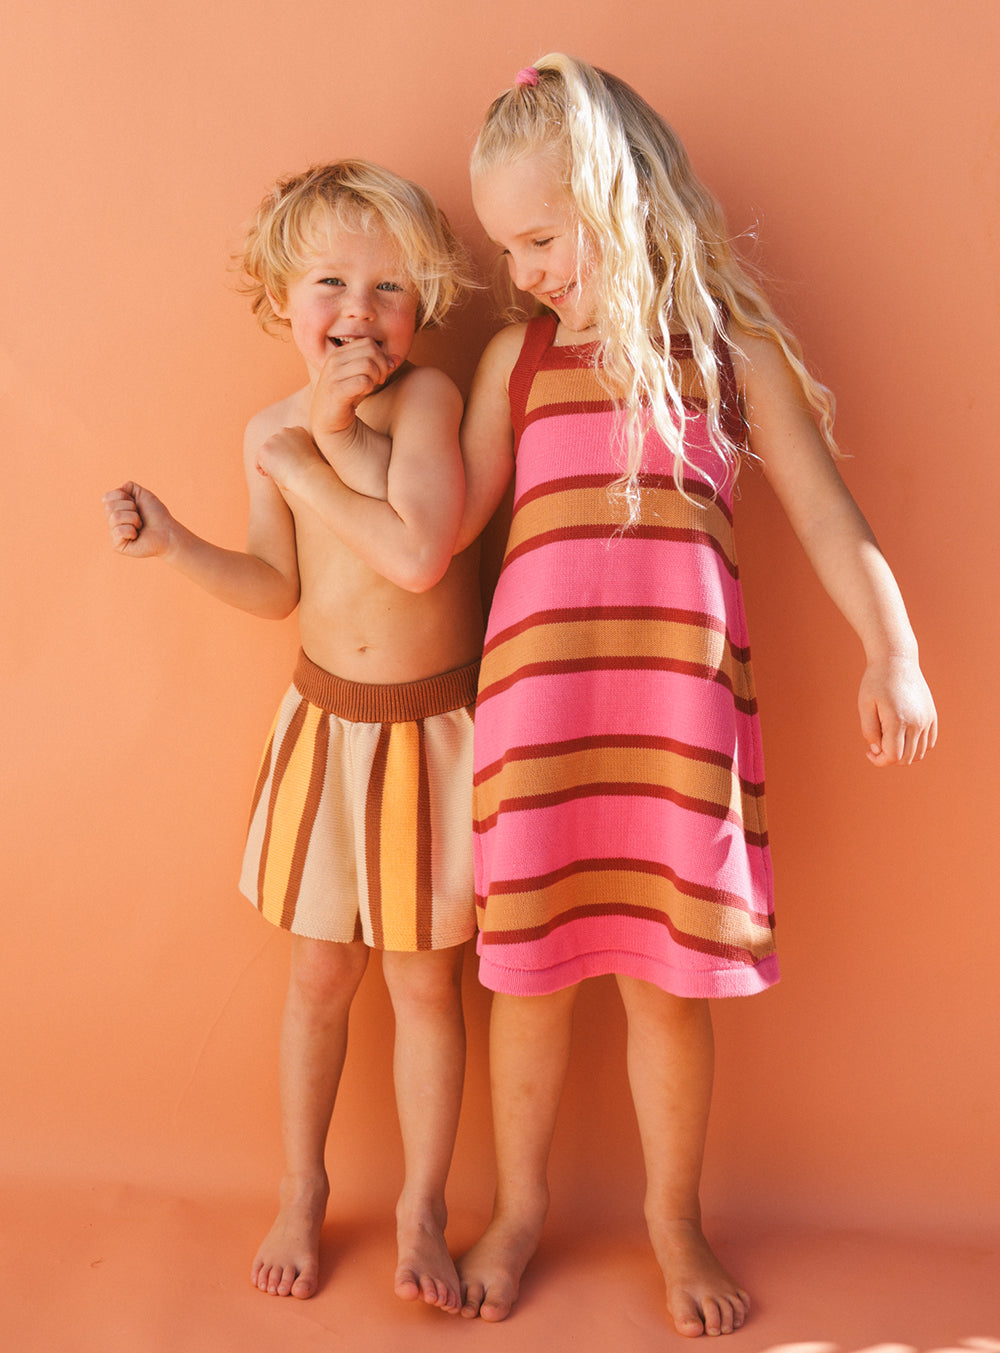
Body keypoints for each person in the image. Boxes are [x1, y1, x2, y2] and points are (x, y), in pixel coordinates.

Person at [453, 56, 937, 1337]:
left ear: (614, 201)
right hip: (539, 730)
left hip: (674, 738)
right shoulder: (516, 355)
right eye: (509, 247)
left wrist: (890, 650)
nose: (525, 270)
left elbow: (832, 520)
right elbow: (438, 528)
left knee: (668, 992)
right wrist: (326, 430)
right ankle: (515, 1211)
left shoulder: (730, 351)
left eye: (542, 238)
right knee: (527, 986)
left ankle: (675, 1221)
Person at [103, 160, 484, 1312]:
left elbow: (414, 547)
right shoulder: (269, 428)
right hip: (326, 730)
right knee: (318, 977)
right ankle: (301, 1187)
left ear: (423, 311)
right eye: (330, 283)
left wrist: (312, 450)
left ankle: (423, 1205)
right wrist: (179, 543)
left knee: (426, 988)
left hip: (430, 735)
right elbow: (278, 585)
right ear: (281, 302)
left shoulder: (425, 404)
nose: (359, 312)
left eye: (390, 289)